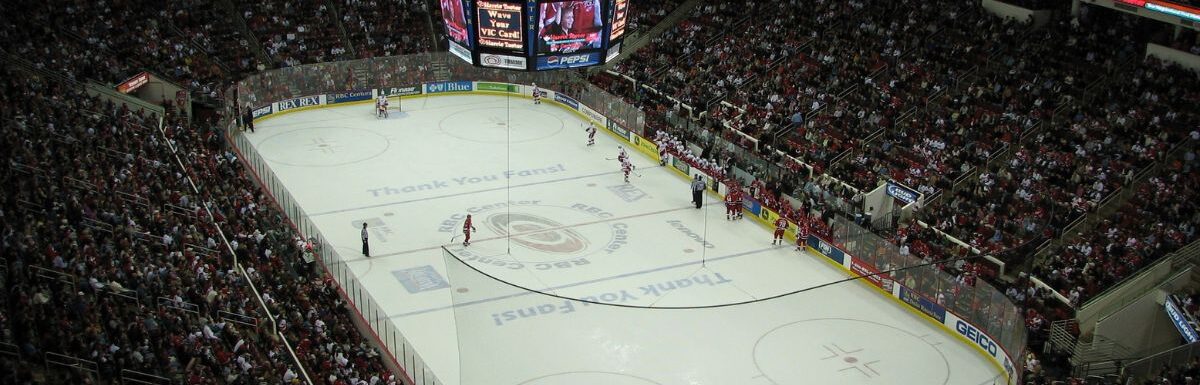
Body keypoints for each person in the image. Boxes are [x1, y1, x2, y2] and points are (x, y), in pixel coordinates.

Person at [538, 1, 602, 53]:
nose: (572, 20)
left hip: (588, 43)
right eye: (568, 18)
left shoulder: (595, 2)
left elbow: (598, 24)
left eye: (572, 17)